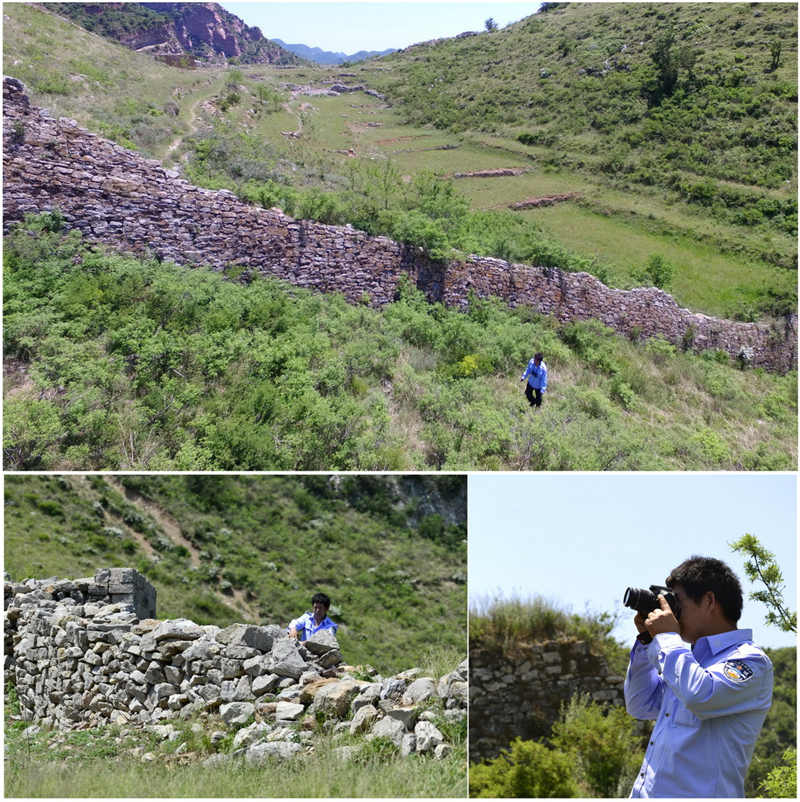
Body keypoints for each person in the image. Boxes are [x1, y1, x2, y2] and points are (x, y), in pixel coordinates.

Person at [624, 556, 773, 798]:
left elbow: (700, 695)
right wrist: (647, 640)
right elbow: (640, 704)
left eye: (677, 602)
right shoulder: (687, 661)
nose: (672, 612)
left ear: (709, 600)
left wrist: (668, 638)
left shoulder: (751, 661)